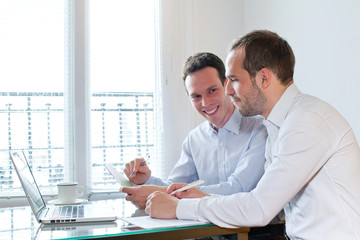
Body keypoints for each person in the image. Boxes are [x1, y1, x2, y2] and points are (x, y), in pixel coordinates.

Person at [145, 30, 360, 239]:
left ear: (264, 78)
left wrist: (180, 208)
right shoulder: (277, 125)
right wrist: (198, 197)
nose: (227, 90)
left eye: (234, 80)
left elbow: (259, 207)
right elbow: (259, 201)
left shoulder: (305, 122)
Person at [121, 52, 267, 210]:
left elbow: (238, 188)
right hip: (207, 231)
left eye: (212, 91)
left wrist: (165, 192)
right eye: (196, 96)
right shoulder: (194, 139)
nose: (206, 103)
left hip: (255, 232)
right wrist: (147, 181)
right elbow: (172, 186)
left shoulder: (259, 128)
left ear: (227, 85)